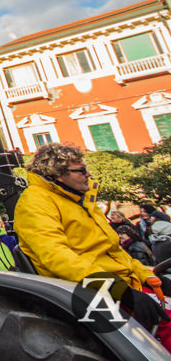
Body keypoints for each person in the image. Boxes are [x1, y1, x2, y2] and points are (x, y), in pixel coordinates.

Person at [15, 143, 171, 339]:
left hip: (120, 283)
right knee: (168, 326)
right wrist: (119, 290)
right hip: (88, 293)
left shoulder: (82, 201)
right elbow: (58, 259)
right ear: (58, 175)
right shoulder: (35, 203)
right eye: (81, 170)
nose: (88, 174)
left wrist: (145, 275)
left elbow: (115, 252)